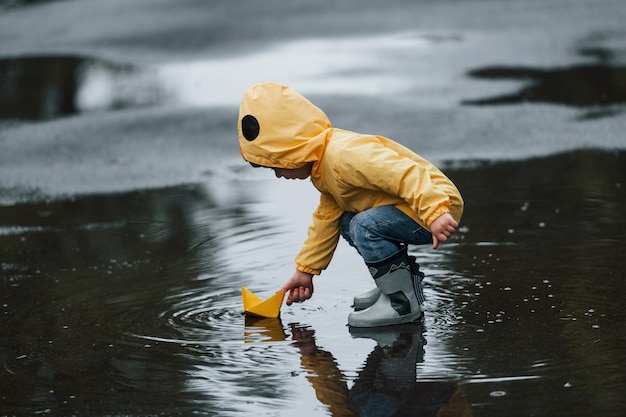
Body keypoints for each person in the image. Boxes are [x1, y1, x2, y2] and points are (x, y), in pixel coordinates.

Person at [237, 82, 463, 327]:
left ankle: (402, 304)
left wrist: (435, 212)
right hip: (416, 207)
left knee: (364, 226)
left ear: (291, 149)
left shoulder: (343, 155)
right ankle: (395, 286)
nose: (279, 175)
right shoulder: (323, 168)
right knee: (345, 221)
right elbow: (326, 220)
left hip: (435, 206)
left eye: (276, 165)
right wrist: (306, 271)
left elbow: (405, 173)